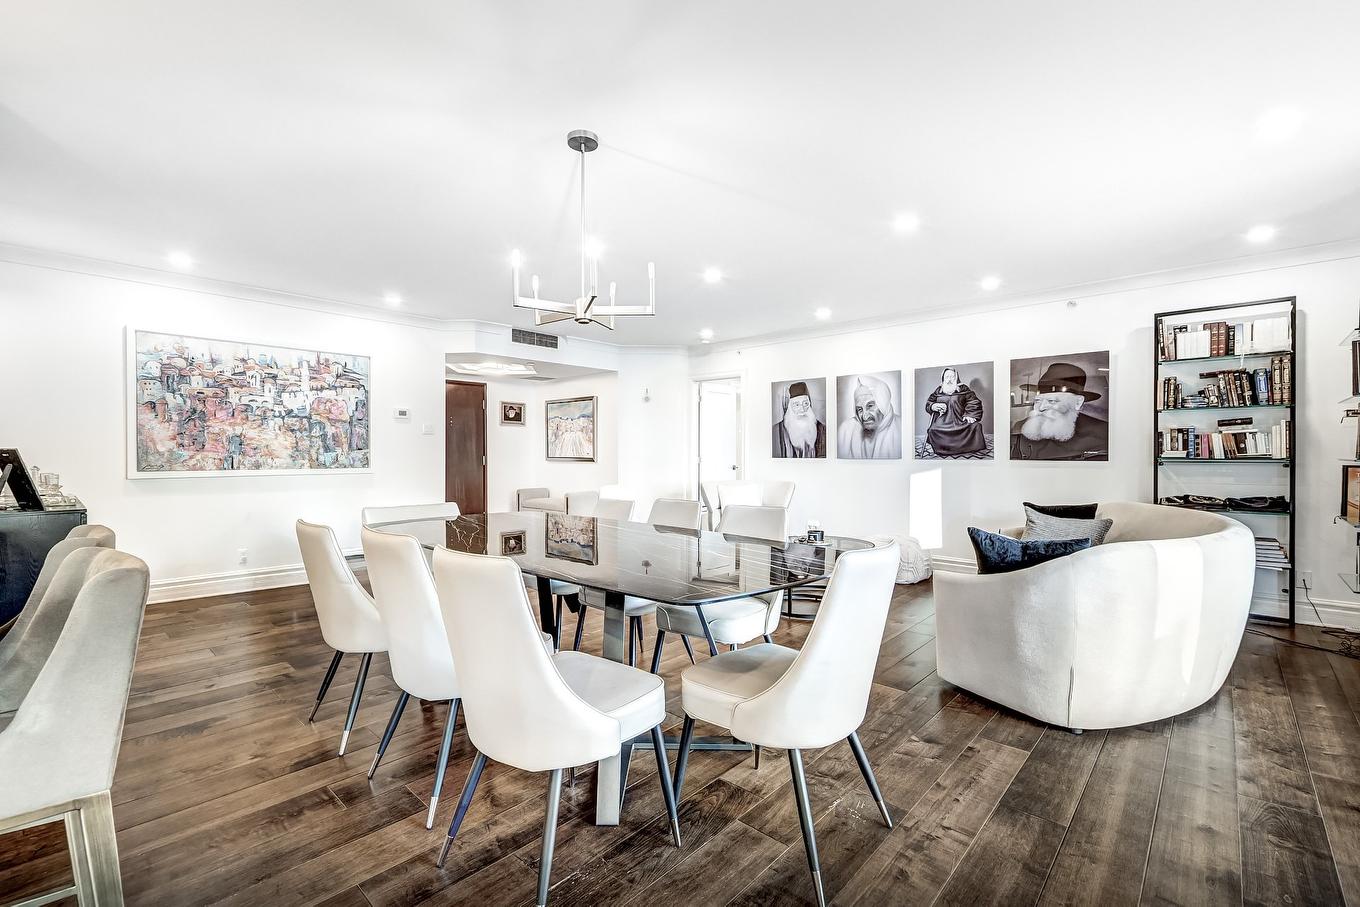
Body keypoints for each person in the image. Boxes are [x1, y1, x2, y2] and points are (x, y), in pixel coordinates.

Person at [1010, 362, 1108, 460]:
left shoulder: (1102, 432)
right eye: (1038, 401)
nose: (1041, 408)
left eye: (1052, 401)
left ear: (1078, 402)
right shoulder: (1020, 427)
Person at [923, 367, 986, 456]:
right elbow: (929, 402)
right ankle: (944, 449)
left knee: (975, 426)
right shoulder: (939, 390)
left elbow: (973, 401)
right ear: (943, 378)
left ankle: (964, 448)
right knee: (933, 430)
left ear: (956, 378)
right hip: (942, 422)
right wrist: (933, 406)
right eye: (947, 377)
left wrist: (970, 415)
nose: (949, 379)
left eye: (952, 377)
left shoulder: (963, 388)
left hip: (960, 420)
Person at [837, 375, 901, 459]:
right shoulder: (846, 431)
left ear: (883, 404)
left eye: (870, 406)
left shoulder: (901, 427)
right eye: (859, 409)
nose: (864, 416)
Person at [772, 381, 826, 458]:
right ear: (789, 408)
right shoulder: (775, 431)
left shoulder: (823, 430)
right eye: (797, 405)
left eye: (805, 404)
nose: (802, 409)